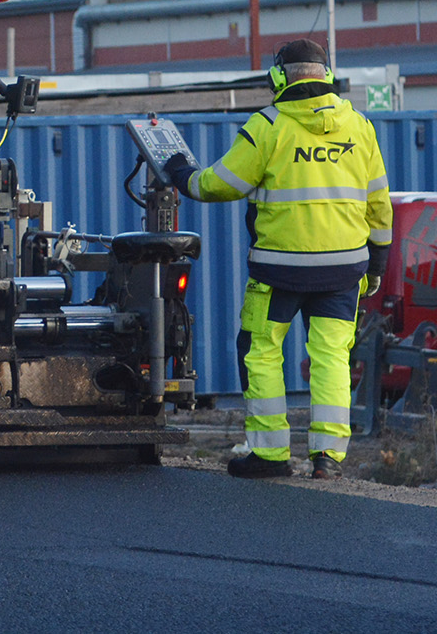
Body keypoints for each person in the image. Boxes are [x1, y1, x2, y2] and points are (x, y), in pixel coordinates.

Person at [164, 38, 391, 480]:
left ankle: (269, 455)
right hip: (344, 269)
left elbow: (219, 184)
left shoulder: (267, 126)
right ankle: (327, 459)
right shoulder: (359, 127)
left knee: (262, 352)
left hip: (280, 268)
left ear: (279, 77)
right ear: (327, 75)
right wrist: (377, 264)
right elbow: (379, 203)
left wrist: (181, 175)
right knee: (331, 359)